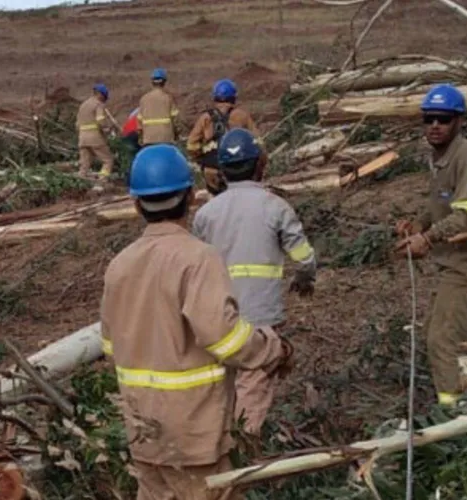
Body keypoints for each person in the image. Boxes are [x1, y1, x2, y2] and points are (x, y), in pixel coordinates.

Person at [100, 143, 292, 500]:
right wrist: (274, 349)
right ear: (190, 197)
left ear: (136, 203)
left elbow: (111, 347)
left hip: (143, 432)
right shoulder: (198, 259)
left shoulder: (119, 266)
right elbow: (226, 339)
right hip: (194, 433)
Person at [393, 83, 467, 407]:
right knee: (437, 330)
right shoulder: (442, 157)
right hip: (459, 263)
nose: (435, 125)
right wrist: (418, 224)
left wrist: (427, 239)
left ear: (459, 121)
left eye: (443, 119)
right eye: (429, 119)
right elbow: (441, 203)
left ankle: (453, 414)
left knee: (442, 339)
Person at [191, 128, 315, 437]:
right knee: (254, 381)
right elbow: (304, 257)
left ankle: (220, 443)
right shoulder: (275, 207)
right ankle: (244, 452)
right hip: (261, 316)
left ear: (221, 171)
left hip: (218, 317)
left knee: (222, 383)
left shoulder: (206, 214)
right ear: (259, 165)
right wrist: (305, 278)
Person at [186, 79, 260, 196]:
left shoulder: (205, 118)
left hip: (211, 170)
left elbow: (191, 145)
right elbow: (258, 143)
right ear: (233, 97)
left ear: (215, 98)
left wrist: (201, 159)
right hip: (238, 168)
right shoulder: (242, 116)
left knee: (216, 200)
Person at [75, 83, 115, 180]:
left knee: (84, 164)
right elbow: (100, 120)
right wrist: (107, 128)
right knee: (108, 160)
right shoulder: (98, 104)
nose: (105, 100)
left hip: (82, 139)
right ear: (100, 94)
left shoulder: (83, 105)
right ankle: (103, 179)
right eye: (105, 97)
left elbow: (77, 124)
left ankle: (81, 181)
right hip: (95, 138)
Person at [137, 68, 180, 146]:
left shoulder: (144, 99)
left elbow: (139, 123)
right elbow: (176, 120)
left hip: (148, 138)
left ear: (152, 82)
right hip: (166, 138)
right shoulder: (168, 98)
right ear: (164, 82)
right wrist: (177, 134)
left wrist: (140, 138)